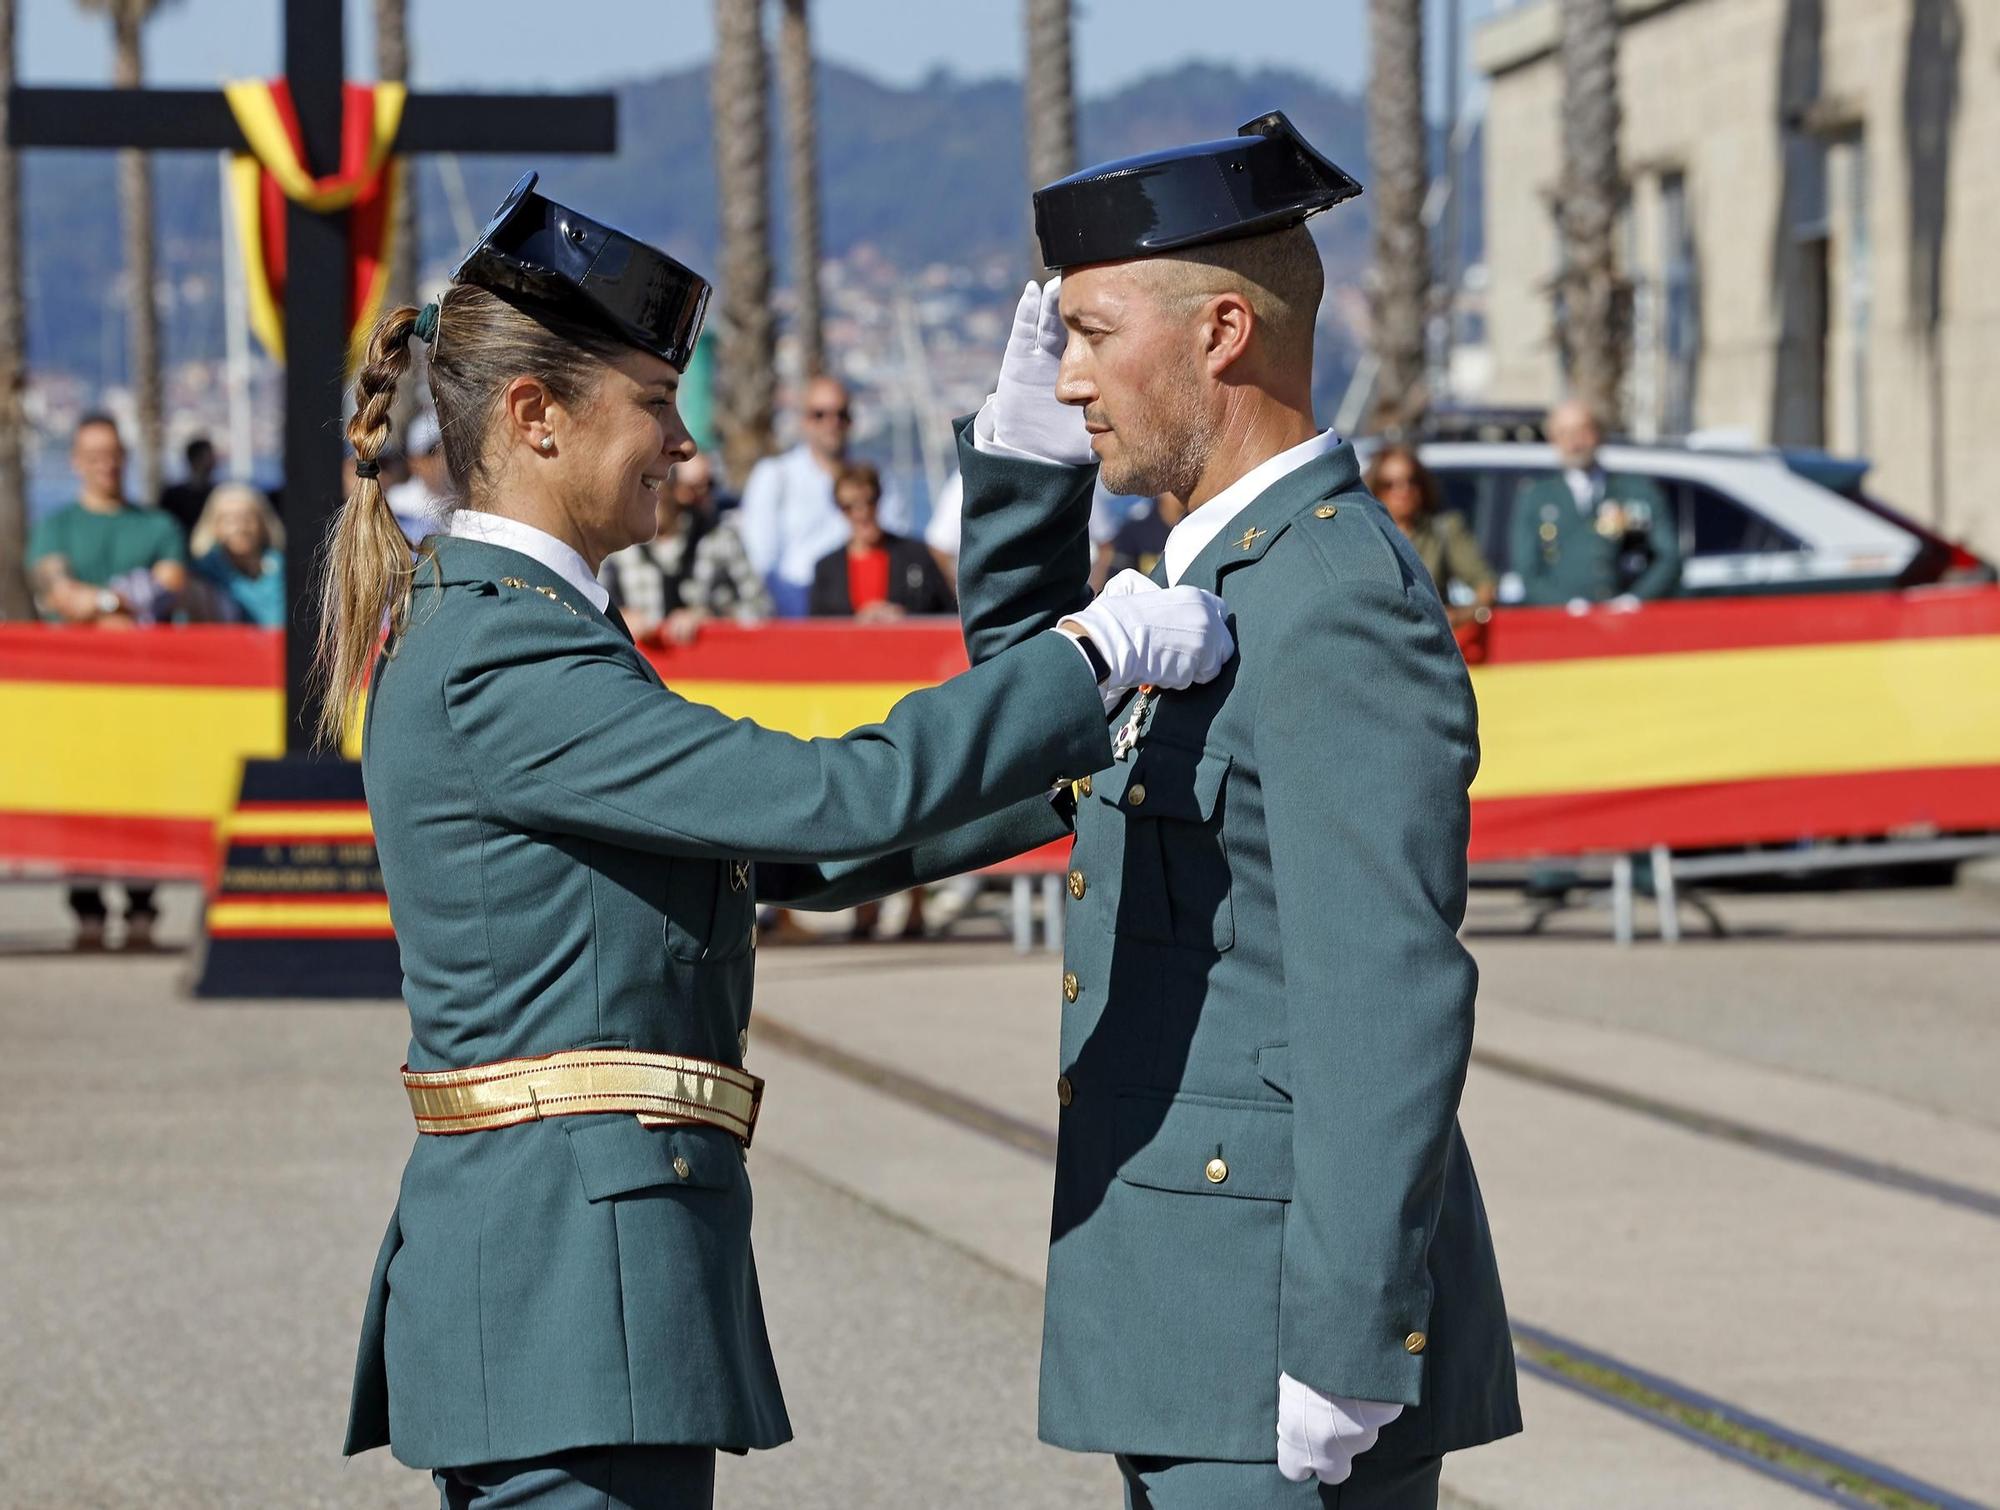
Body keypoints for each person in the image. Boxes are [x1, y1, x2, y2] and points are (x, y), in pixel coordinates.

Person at [322, 172, 1234, 1509]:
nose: (683, 444)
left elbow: (768, 852)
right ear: (535, 418)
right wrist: (1080, 655)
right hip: (568, 1284)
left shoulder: (507, 629)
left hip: (569, 1280)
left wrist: (1061, 765)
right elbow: (818, 799)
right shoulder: (502, 654)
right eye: (651, 401)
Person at [952, 112, 1521, 1507]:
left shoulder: (1328, 605)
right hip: (1189, 1306)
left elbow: (1383, 991)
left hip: (1273, 1332)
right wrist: (1025, 473)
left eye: (1091, 335)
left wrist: (1345, 1334)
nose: (1071, 376)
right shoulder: (1216, 585)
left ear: (1219, 331)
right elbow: (1031, 731)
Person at [26, 411, 189, 950]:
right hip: (75, 694)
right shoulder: (57, 525)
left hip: (145, 692)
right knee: (80, 794)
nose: (105, 465)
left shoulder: (156, 526)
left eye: (113, 454)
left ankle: (142, 905)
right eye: (93, 455)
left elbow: (171, 582)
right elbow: (56, 592)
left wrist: (94, 602)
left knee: (143, 793)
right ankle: (88, 909)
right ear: (76, 462)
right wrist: (119, 602)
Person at [735, 374, 909, 616]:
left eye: (841, 414)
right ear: (803, 420)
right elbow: (760, 561)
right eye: (820, 414)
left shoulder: (878, 479)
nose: (832, 423)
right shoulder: (774, 476)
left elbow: (895, 544)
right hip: (795, 607)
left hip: (867, 604)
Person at [1508, 399, 1679, 605]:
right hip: (1561, 623)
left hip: (1626, 622)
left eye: (1582, 431)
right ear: (1553, 440)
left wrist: (1635, 600)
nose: (1574, 443)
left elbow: (1669, 556)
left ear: (1599, 433)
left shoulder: (1636, 490)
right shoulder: (1536, 497)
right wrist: (1566, 606)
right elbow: (1528, 571)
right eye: (1564, 433)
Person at [599, 453, 769, 643]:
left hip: (712, 666)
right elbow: (588, 611)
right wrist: (618, 619)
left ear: (676, 492)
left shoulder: (718, 538)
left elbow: (761, 608)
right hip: (641, 664)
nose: (644, 503)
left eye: (652, 491)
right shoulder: (617, 547)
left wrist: (711, 619)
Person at [1366, 444, 1496, 626]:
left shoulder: (1444, 530)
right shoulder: (1364, 534)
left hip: (1429, 641)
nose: (1403, 491)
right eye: (1390, 485)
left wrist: (1462, 616)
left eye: (1412, 481)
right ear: (1375, 490)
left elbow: (1485, 584)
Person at [809, 461, 955, 620]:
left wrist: (905, 618)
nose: (862, 513)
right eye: (850, 506)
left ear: (879, 500)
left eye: (869, 501)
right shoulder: (827, 569)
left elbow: (947, 615)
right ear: (840, 509)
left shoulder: (917, 556)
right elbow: (818, 629)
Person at [189, 483, 287, 627]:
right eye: (228, 519)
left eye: (247, 518)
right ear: (214, 526)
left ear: (262, 523)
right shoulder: (201, 574)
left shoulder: (284, 569)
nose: (239, 528)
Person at [385, 410, 453, 547]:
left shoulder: (471, 503)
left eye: (448, 447)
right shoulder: (394, 507)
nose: (442, 457)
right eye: (432, 451)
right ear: (413, 462)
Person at [158, 434, 219, 538]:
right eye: (209, 456)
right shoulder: (173, 495)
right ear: (195, 458)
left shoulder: (217, 493)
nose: (214, 460)